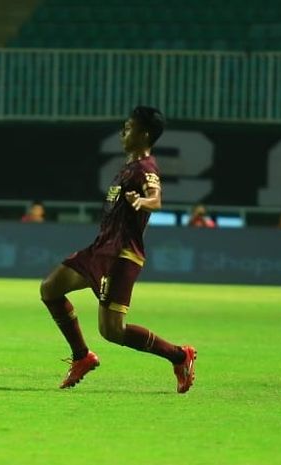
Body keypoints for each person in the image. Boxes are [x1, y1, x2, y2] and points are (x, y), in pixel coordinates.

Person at [39, 106, 196, 393]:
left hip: (121, 256)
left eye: (129, 127)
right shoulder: (128, 167)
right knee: (50, 288)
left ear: (144, 134)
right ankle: (82, 356)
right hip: (101, 249)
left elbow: (156, 198)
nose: (123, 131)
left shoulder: (146, 168)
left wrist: (143, 203)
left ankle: (179, 355)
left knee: (112, 331)